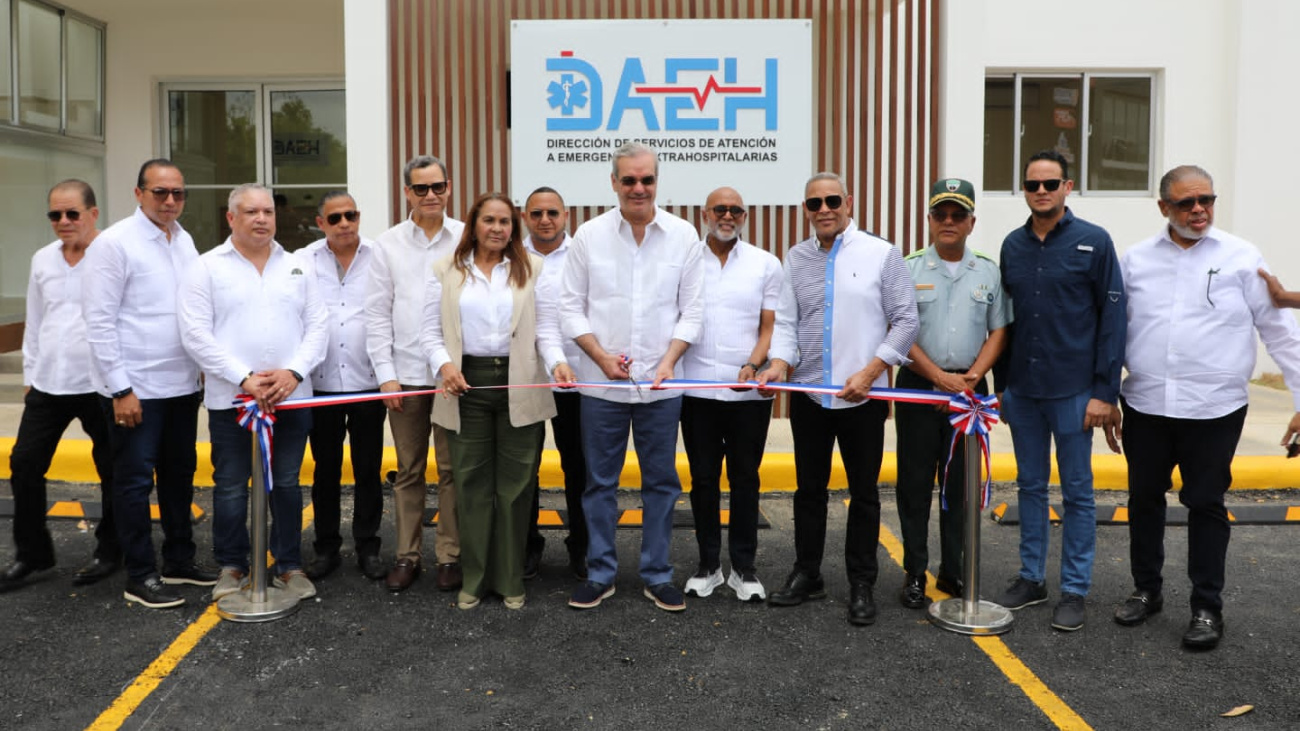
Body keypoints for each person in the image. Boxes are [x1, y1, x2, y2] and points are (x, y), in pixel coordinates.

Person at [1109, 165, 1300, 650]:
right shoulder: (1135, 260)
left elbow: (1280, 332)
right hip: (1147, 404)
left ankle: (1206, 608)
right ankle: (1146, 590)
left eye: (1206, 200)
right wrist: (1105, 393)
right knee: (1143, 500)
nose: (1199, 210)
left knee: (1206, 504)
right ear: (1163, 207)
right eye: (1186, 203)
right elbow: (1113, 332)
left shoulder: (1241, 256)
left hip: (1215, 408)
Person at [758, 172, 919, 626]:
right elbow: (786, 324)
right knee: (808, 491)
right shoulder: (796, 258)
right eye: (815, 203)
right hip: (810, 395)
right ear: (806, 210)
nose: (824, 209)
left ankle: (862, 583)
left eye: (832, 200)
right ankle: (807, 574)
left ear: (849, 202)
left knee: (864, 494)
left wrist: (870, 373)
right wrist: (778, 364)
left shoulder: (881, 254)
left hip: (864, 398)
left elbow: (906, 321)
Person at [559, 142, 704, 612]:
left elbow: (693, 311)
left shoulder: (683, 235)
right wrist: (600, 357)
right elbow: (569, 308)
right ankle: (600, 573)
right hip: (601, 386)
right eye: (629, 180)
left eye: (647, 180)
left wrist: (670, 360)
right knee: (599, 484)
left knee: (661, 484)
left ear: (657, 181)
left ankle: (657, 574)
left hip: (662, 387)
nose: (638, 188)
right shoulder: (589, 236)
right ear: (614, 183)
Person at [992, 149, 1125, 632]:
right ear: (1024, 190)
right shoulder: (1012, 245)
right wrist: (1002, 388)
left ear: (1067, 187)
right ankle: (1032, 578)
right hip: (1024, 391)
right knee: (1029, 486)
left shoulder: (1095, 241)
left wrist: (1105, 392)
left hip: (1075, 391)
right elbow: (1003, 322)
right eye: (1033, 185)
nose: (1042, 191)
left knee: (1078, 493)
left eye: (1051, 184)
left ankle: (1074, 589)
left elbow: (1113, 319)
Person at [422, 192, 573, 610]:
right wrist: (445, 366)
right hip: (464, 385)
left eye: (504, 222)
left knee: (516, 487)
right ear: (474, 225)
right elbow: (430, 333)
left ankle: (509, 579)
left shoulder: (533, 269)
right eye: (489, 220)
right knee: (471, 485)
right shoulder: (445, 270)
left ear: (513, 228)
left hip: (519, 384)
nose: (497, 228)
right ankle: (474, 579)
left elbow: (546, 330)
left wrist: (558, 363)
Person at [179, 183, 328, 602]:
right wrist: (243, 377)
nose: (261, 219)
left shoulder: (298, 266)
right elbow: (195, 334)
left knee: (286, 483)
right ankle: (232, 565)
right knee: (230, 485)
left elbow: (318, 326)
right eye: (251, 212)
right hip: (233, 401)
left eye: (267, 211)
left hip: (290, 398)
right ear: (231, 218)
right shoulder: (206, 268)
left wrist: (293, 373)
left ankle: (288, 565)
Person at [83, 159, 216, 609]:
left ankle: (179, 560)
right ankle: (140, 575)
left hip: (181, 385)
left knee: (179, 477)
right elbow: (99, 322)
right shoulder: (114, 243)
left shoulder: (184, 240)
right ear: (139, 193)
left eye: (178, 192)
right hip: (136, 389)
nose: (170, 200)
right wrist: (120, 390)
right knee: (134, 483)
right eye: (160, 192)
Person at [894, 178, 1009, 608]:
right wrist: (939, 377)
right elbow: (899, 332)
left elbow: (999, 330)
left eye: (958, 215)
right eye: (940, 214)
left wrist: (973, 377)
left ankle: (954, 569)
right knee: (914, 483)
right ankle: (914, 571)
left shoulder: (988, 271)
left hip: (969, 394)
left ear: (971, 222)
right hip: (920, 387)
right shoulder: (908, 269)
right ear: (929, 220)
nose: (948, 221)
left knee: (960, 485)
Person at [2, 180, 120, 592]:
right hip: (49, 384)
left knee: (113, 469)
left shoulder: (113, 255)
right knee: (24, 464)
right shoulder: (42, 259)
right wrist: (30, 377)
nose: (64, 221)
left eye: (72, 213)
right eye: (55, 214)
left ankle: (111, 551)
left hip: (100, 385)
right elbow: (36, 322)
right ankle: (33, 554)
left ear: (93, 214)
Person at [365, 155, 465, 593]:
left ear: (448, 188)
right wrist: (386, 375)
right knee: (409, 470)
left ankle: (449, 556)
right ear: (407, 192)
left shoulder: (465, 237)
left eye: (437, 186)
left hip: (451, 377)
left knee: (451, 470)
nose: (430, 195)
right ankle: (407, 556)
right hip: (404, 374)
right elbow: (376, 314)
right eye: (420, 188)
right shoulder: (386, 245)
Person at [679, 186, 782, 602]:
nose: (727, 216)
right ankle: (708, 566)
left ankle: (744, 569)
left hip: (748, 394)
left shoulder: (765, 263)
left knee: (745, 480)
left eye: (735, 210)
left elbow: (770, 326)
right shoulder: (685, 261)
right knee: (703, 480)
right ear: (704, 214)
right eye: (719, 209)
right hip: (696, 390)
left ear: (744, 216)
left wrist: (754, 364)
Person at [297, 191, 388, 581]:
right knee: (326, 471)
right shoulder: (302, 261)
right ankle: (326, 547)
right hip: (321, 384)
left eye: (350, 215)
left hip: (368, 382)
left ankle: (368, 547)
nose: (344, 223)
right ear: (321, 223)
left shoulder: (379, 256)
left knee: (368, 469)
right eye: (334, 218)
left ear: (359, 216)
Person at [521, 186, 588, 581]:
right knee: (524, 469)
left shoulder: (584, 254)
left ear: (566, 215)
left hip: (576, 377)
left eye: (552, 213)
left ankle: (581, 548)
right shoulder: (512, 257)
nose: (545, 220)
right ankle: (528, 547)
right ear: (525, 218)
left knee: (578, 467)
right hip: (526, 377)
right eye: (536, 213)